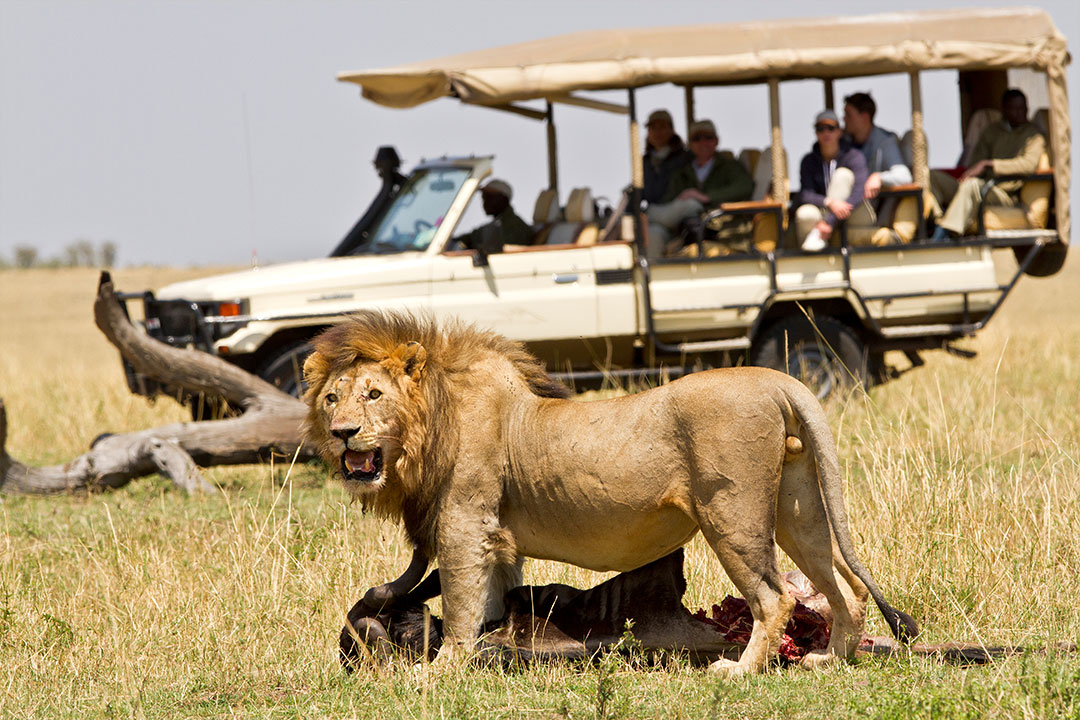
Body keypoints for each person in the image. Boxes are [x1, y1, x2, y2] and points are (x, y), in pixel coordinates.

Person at [930, 89, 1046, 240]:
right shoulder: (993, 131)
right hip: (981, 187)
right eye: (1015, 109)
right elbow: (976, 163)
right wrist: (973, 170)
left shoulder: (1033, 135)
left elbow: (1028, 165)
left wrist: (991, 165)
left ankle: (944, 234)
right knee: (931, 176)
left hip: (1004, 193)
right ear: (1004, 109)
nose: (1020, 113)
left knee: (973, 186)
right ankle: (939, 220)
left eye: (1023, 108)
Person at [795, 110, 868, 252]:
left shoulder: (854, 156)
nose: (826, 133)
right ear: (816, 133)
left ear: (839, 132)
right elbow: (806, 194)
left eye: (831, 128)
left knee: (842, 175)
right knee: (805, 214)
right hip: (826, 211)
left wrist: (828, 221)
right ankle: (810, 255)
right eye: (820, 129)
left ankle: (821, 234)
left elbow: (858, 192)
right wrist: (830, 202)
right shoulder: (808, 161)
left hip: (855, 212)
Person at [455, 179, 532, 254]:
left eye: (489, 197)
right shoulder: (499, 223)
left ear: (503, 199)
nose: (484, 202)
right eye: (483, 198)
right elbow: (472, 237)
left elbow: (500, 253)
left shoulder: (514, 226)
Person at [642, 109, 691, 204]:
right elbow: (640, 190)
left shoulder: (684, 157)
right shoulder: (645, 161)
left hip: (679, 208)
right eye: (653, 128)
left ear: (671, 130)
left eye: (662, 127)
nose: (657, 132)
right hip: (652, 211)